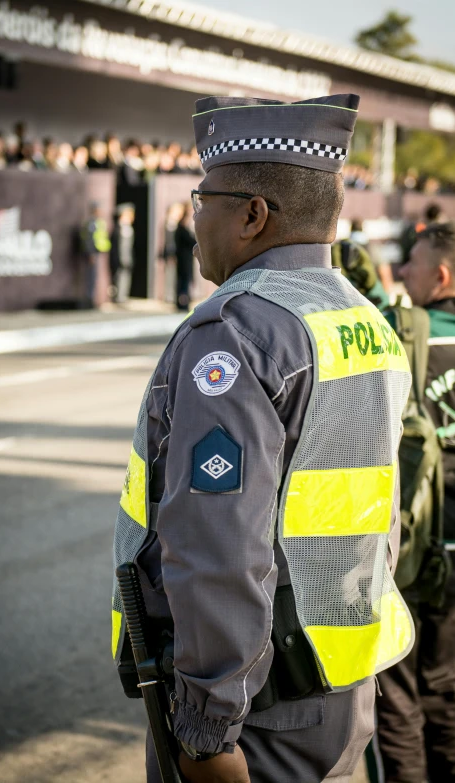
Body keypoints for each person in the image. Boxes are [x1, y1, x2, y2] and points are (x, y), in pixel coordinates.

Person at [112, 94, 414, 783]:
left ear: (252, 215)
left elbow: (218, 546)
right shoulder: (363, 316)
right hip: (341, 689)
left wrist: (207, 733)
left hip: (257, 719)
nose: (192, 216)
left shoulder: (236, 331)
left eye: (202, 196)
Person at [374, 221, 455, 782]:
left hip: (410, 550)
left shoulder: (408, 332)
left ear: (443, 276)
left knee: (396, 701)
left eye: (415, 264)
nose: (404, 272)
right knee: (448, 693)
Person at [81, 202, 111, 306]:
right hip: (92, 254)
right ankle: (89, 300)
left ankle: (92, 299)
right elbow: (89, 239)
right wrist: (91, 254)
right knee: (91, 278)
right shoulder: (91, 223)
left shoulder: (98, 222)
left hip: (97, 253)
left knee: (94, 277)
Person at [109, 203, 135, 303]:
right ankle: (118, 297)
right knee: (118, 278)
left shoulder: (129, 229)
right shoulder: (117, 229)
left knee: (126, 278)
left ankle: (124, 296)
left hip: (127, 258)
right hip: (119, 259)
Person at [174, 201, 196, 310]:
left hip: (185, 258)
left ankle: (183, 302)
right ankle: (183, 303)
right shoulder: (181, 228)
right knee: (184, 281)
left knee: (184, 281)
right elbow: (190, 241)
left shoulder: (182, 227)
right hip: (184, 259)